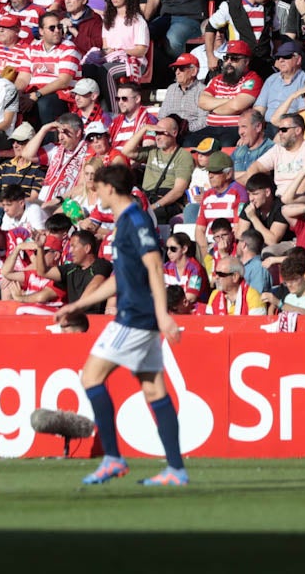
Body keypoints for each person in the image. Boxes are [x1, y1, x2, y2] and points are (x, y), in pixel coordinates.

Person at [54, 162, 188, 487]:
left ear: (110, 189)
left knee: (90, 377)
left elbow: (154, 266)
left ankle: (113, 457)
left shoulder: (135, 220)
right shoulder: (124, 221)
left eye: (98, 187)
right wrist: (79, 304)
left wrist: (162, 314)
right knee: (154, 389)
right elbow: (120, 279)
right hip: (139, 316)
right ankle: (176, 470)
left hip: (135, 317)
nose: (95, 193)